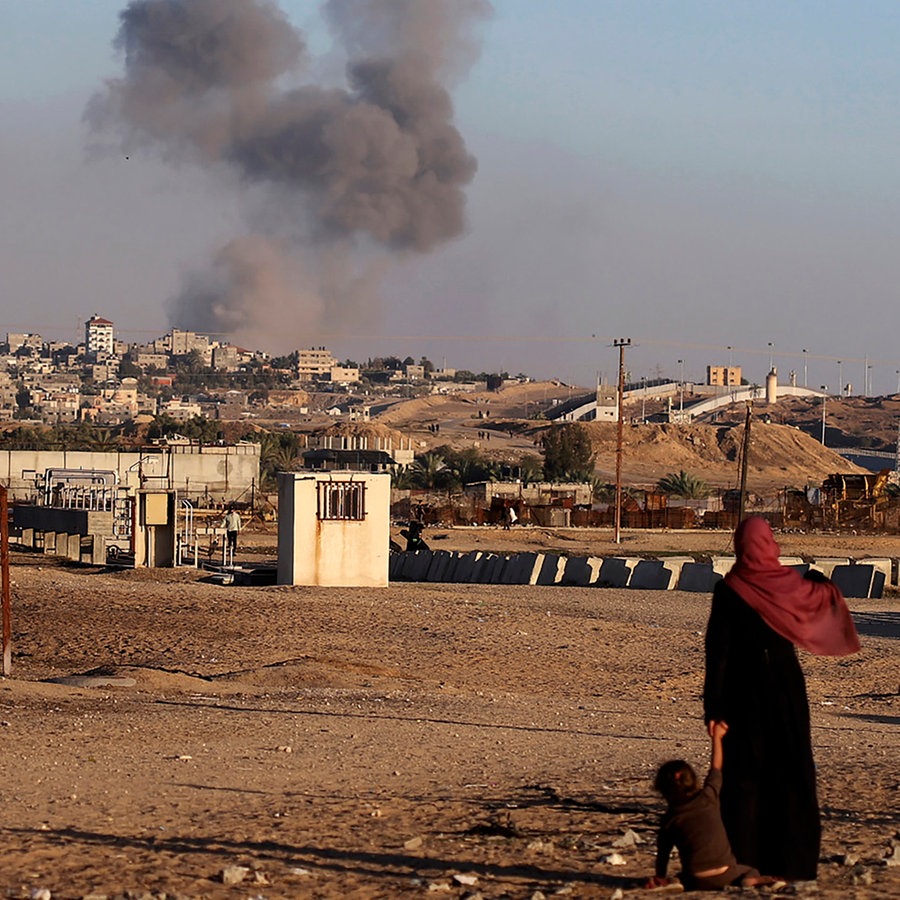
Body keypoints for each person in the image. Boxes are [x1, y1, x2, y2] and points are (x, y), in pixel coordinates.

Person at [704, 516, 859, 881]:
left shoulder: (729, 590)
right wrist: (820, 580)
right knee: (791, 772)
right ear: (769, 544)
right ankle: (793, 863)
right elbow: (823, 593)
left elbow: (718, 654)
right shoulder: (791, 585)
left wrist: (713, 709)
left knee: (744, 777)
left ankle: (744, 861)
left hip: (741, 693)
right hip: (785, 689)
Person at [650, 722, 779, 891]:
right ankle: (751, 881)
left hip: (695, 879)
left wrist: (660, 876)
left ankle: (675, 883)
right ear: (692, 780)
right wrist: (717, 737)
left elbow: (663, 855)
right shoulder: (708, 797)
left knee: (680, 876)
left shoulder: (669, 819)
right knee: (750, 870)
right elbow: (716, 768)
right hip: (726, 874)